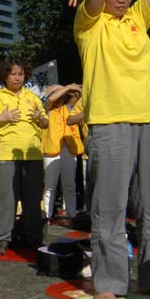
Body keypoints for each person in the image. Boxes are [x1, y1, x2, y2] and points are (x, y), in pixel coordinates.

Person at [68, 0, 150, 299]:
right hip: (109, 121)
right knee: (110, 205)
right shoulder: (89, 22)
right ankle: (110, 281)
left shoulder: (138, 16)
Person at [0, 56, 48, 255]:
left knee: (33, 200)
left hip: (33, 155)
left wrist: (40, 118)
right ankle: (3, 239)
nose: (17, 77)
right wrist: (1, 118)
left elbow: (46, 123)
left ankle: (34, 239)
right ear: (4, 76)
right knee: (6, 200)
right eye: (13, 74)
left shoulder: (33, 97)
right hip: (5, 155)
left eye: (20, 74)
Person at [41, 84, 84, 219]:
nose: (60, 98)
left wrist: (71, 89)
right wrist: (66, 88)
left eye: (63, 96)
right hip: (51, 151)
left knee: (69, 184)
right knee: (50, 185)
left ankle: (70, 213)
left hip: (69, 149)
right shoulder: (47, 109)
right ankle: (47, 215)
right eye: (58, 94)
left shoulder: (70, 107)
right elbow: (50, 100)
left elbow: (81, 96)